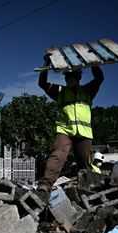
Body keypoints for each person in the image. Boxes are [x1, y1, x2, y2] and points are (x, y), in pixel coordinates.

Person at [37, 56, 104, 192]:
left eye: (72, 78)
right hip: (65, 130)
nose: (69, 81)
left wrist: (93, 64)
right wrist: (46, 64)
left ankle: (88, 187)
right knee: (58, 155)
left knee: (85, 162)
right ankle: (45, 184)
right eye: (67, 78)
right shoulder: (60, 91)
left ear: (78, 79)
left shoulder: (87, 91)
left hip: (84, 133)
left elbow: (99, 79)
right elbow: (42, 83)